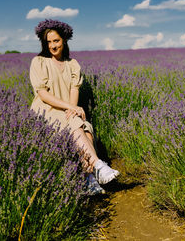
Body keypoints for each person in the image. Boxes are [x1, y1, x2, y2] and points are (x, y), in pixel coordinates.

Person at [29, 19, 119, 195]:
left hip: (65, 108)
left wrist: (72, 108)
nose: (53, 46)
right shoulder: (38, 62)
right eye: (48, 42)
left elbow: (73, 92)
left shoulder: (73, 65)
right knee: (75, 122)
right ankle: (98, 165)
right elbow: (43, 94)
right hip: (45, 110)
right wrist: (70, 107)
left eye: (56, 41)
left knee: (84, 128)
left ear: (64, 40)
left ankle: (88, 178)